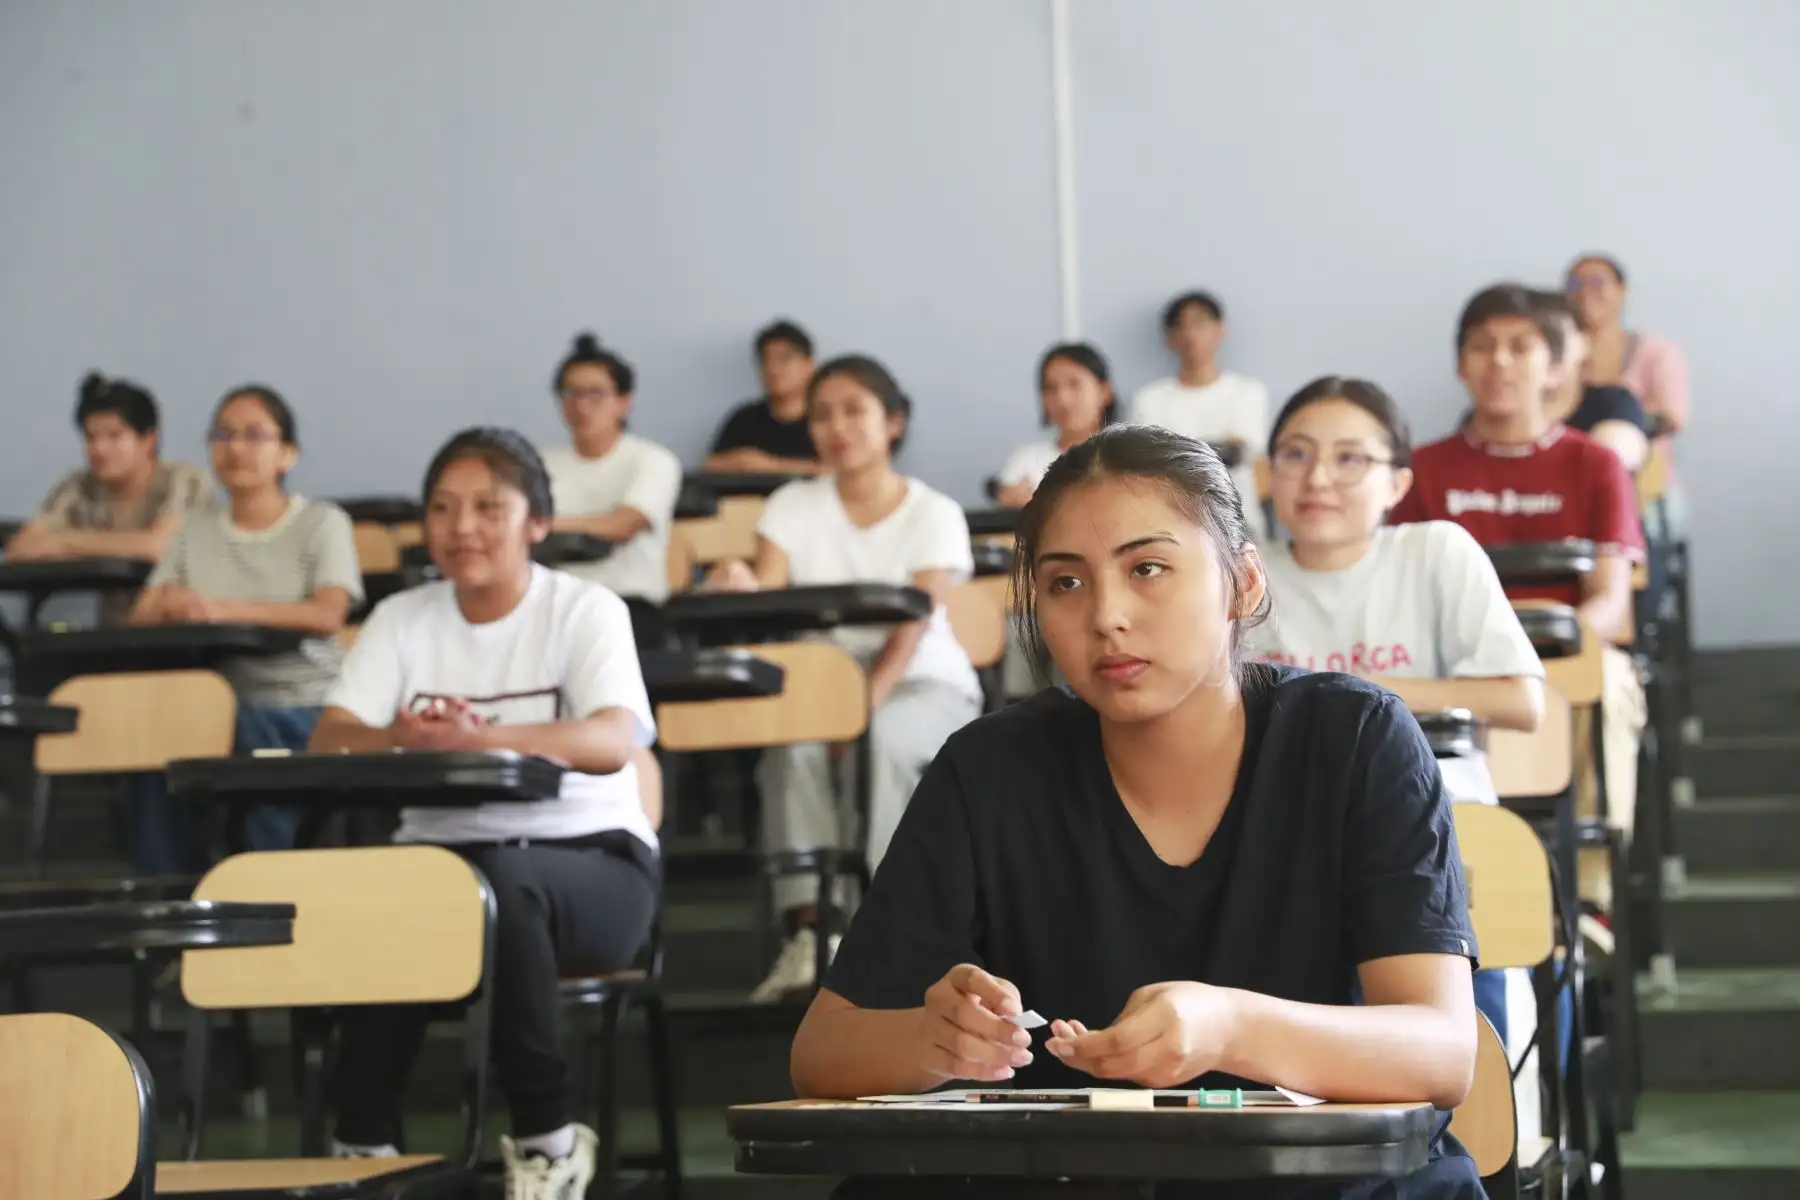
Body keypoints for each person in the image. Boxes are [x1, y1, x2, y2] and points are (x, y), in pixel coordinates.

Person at [791, 426, 1483, 1200]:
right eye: (1065, 584)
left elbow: (1440, 1050)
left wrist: (1229, 1027)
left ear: (1243, 584)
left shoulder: (1356, 739)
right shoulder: (988, 769)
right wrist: (930, 1039)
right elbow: (823, 1050)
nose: (1106, 616)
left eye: (1148, 568)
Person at [313, 427, 661, 1200]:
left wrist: (484, 738)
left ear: (537, 521)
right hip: (445, 868)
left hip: (593, 866)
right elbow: (331, 740)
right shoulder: (402, 618)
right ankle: (361, 1146)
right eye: (441, 508)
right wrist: (400, 737)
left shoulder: (585, 609)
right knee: (398, 894)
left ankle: (551, 1141)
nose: (461, 527)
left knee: (496, 887)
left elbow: (614, 738)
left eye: (486, 507)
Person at [1255, 376, 1543, 1070]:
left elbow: (1519, 699)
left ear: (1396, 482)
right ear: (1267, 475)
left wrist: (1357, 700)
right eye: (1295, 454)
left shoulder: (1435, 552)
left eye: (1350, 458)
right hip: (1286, 813)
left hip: (1435, 801)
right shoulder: (1242, 575)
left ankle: (1473, 1112)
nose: (1318, 476)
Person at [706, 355, 983, 1004]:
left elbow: (910, 627)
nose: (837, 426)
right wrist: (736, 578)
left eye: (854, 410)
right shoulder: (790, 505)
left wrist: (858, 707)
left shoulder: (932, 512)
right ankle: (812, 931)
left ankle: (890, 937)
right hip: (821, 684)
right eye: (822, 413)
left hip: (920, 682)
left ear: (893, 422)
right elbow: (765, 592)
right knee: (793, 746)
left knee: (881, 740)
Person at [1391, 283, 1647, 910]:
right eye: (1482, 346)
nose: (1499, 361)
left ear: (1557, 366)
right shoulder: (1420, 468)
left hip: (1559, 662)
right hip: (1452, 665)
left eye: (1519, 346)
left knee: (1610, 686)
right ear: (1460, 364)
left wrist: (1538, 651)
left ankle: (1587, 898)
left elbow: (1610, 603)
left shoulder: (1594, 465)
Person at [126, 385, 362, 874]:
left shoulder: (321, 523)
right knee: (154, 738)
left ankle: (266, 895)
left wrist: (220, 609)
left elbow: (327, 614)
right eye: (223, 434)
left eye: (255, 435)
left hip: (305, 705)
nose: (236, 448)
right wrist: (170, 602)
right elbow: (142, 613)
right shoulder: (195, 528)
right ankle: (174, 901)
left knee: (248, 733)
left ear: (287, 453)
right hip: (216, 702)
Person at [6, 372, 208, 621]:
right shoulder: (78, 486)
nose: (99, 449)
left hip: (182, 633)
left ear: (148, 440)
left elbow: (161, 546)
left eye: (114, 436)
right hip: (113, 639)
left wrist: (65, 542)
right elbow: (21, 547)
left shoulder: (185, 480)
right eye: (91, 437)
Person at [539, 333, 683, 603]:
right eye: (571, 394)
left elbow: (624, 524)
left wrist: (545, 524)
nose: (582, 406)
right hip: (557, 602)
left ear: (624, 402)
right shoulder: (540, 463)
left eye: (595, 394)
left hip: (630, 602)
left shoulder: (654, 460)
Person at [1565, 254, 1690, 536]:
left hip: (1645, 489)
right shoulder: (1554, 357)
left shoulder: (1656, 352)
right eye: (1575, 283)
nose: (1585, 291)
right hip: (1566, 485)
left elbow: (1673, 417)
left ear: (1622, 291)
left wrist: (1618, 429)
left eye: (1597, 282)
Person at [1130, 290, 1269, 537]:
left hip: (1238, 522)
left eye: (1199, 323)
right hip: (1170, 524)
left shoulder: (1247, 393)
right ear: (1169, 338)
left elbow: (1238, 454)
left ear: (1220, 329)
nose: (1191, 334)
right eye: (1180, 326)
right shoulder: (1149, 399)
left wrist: (1171, 454)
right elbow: (1145, 465)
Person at [992, 342, 1117, 508]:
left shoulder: (1129, 457)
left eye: (1075, 384)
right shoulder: (1026, 462)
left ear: (1104, 391)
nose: (1062, 399)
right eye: (1051, 388)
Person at [705, 319, 825, 475]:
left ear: (809, 365)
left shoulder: (825, 418)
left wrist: (770, 466)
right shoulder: (744, 418)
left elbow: (839, 471)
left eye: (784, 359)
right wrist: (741, 461)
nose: (773, 369)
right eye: (766, 360)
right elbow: (708, 466)